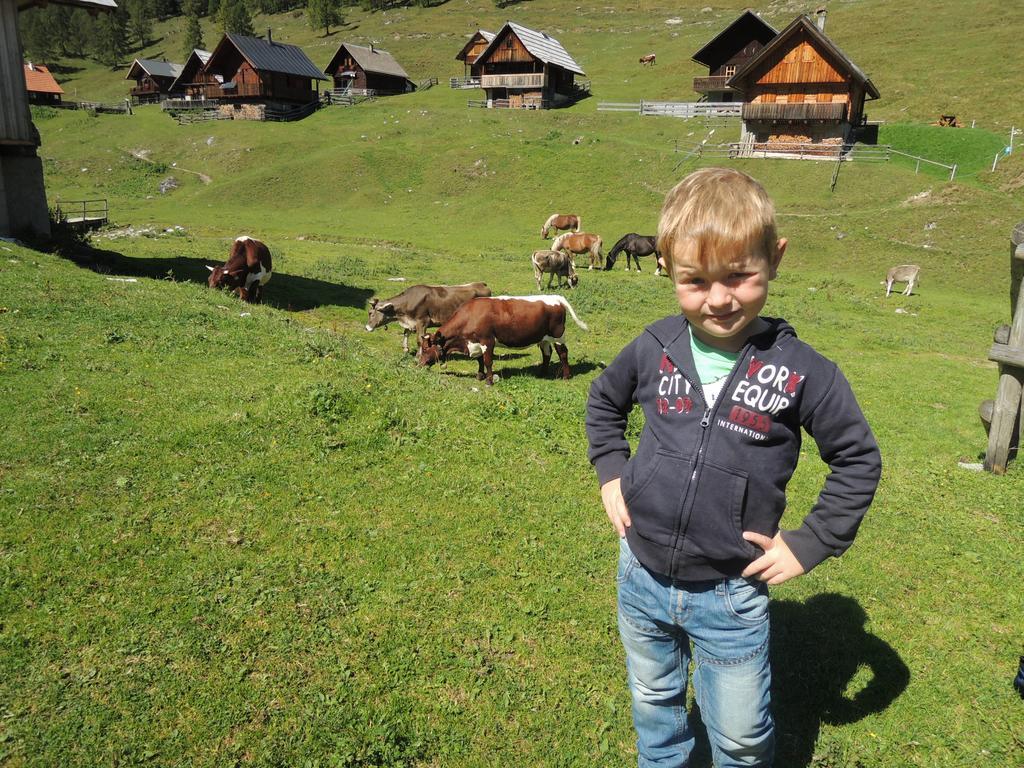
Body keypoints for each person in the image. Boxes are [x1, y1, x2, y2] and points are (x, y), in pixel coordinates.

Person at [586, 167, 882, 768]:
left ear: (774, 259)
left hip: (731, 594)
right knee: (654, 705)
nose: (719, 299)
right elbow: (603, 402)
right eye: (696, 281)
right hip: (639, 576)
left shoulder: (804, 372)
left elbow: (857, 458)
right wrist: (612, 470)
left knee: (743, 739)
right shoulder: (654, 346)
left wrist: (813, 541)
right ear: (667, 266)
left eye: (740, 276)